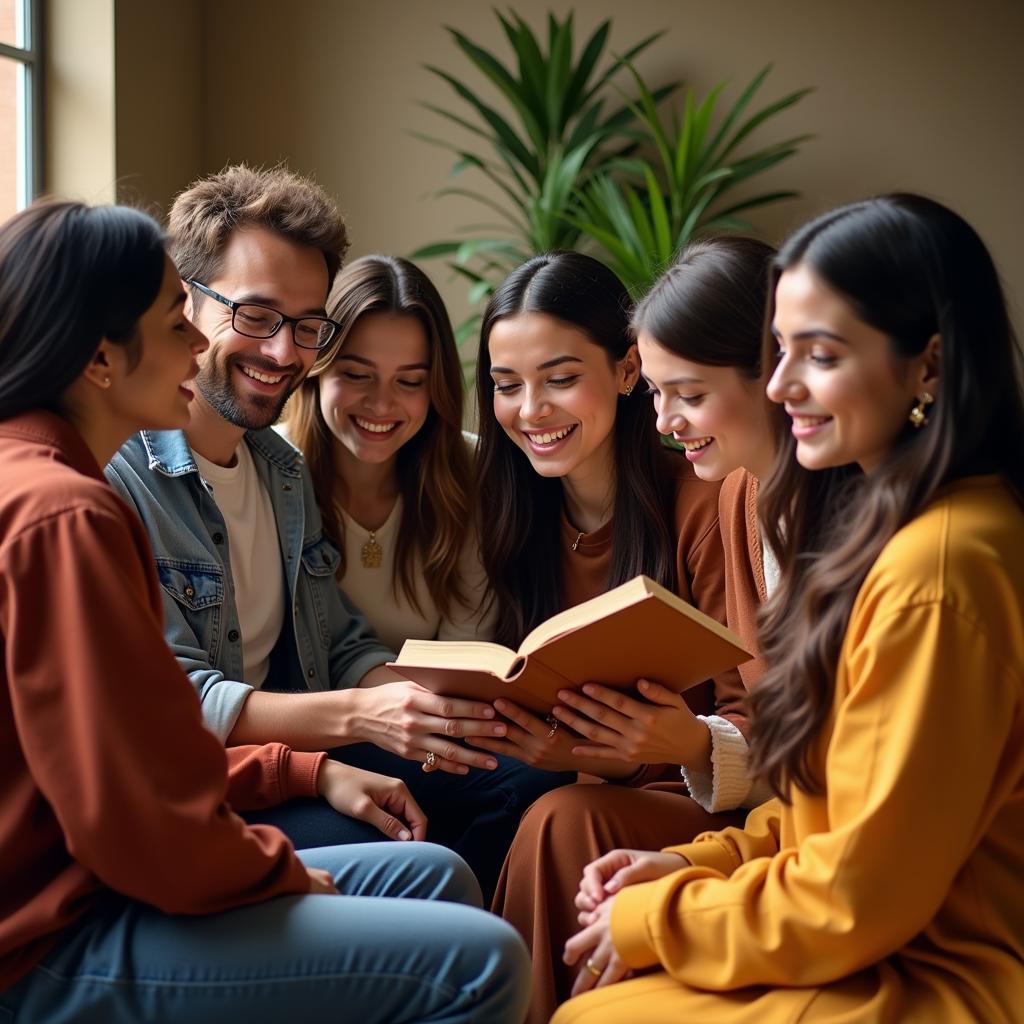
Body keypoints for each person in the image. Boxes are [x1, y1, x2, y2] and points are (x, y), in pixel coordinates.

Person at [0, 199, 530, 1024]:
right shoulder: (72, 509)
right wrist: (270, 871)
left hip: (115, 870)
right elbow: (129, 805)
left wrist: (311, 765)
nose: (198, 344)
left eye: (307, 326)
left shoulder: (271, 471)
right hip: (53, 929)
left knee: (438, 871)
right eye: (182, 320)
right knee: (480, 961)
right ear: (100, 358)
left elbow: (144, 750)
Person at [555, 194, 1024, 1023]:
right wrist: (699, 867)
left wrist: (655, 918)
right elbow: (837, 809)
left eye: (821, 355)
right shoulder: (900, 533)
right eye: (779, 351)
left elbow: (859, 892)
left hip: (942, 965)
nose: (781, 386)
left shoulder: (936, 571)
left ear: (932, 367)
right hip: (878, 932)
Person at [104, 164, 563, 899]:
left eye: (306, 326)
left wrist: (432, 714)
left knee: (524, 778)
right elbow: (182, 703)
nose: (285, 353)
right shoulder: (119, 479)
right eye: (255, 316)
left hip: (300, 751)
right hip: (208, 786)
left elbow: (338, 638)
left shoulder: (280, 471)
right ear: (185, 305)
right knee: (419, 859)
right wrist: (361, 719)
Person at [491, 239, 785, 1022]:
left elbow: (756, 717)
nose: (532, 410)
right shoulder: (509, 512)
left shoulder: (712, 495)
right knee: (522, 807)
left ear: (625, 372)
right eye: (506, 385)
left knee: (560, 821)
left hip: (718, 795)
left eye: (559, 379)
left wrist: (658, 744)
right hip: (601, 779)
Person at [285, 254, 491, 652]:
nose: (381, 405)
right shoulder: (264, 468)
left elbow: (465, 654)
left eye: (410, 381)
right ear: (317, 369)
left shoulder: (475, 470)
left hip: (439, 707)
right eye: (357, 375)